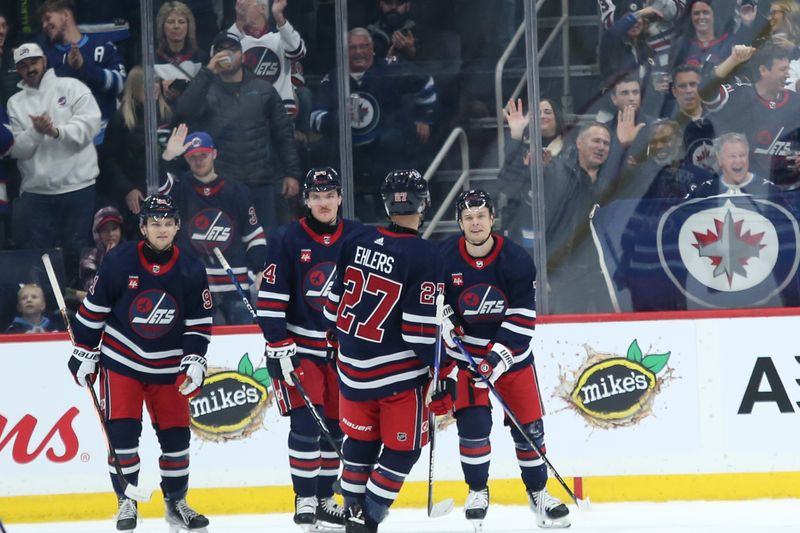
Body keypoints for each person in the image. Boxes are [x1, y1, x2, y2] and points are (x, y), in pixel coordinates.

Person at [69, 194, 212, 532]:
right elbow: (94, 310)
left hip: (169, 368)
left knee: (177, 440)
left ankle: (176, 502)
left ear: (177, 226)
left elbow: (199, 322)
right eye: (154, 223)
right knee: (123, 436)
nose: (161, 230)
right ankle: (126, 502)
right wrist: (83, 351)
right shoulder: (119, 260)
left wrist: (195, 358)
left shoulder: (191, 267)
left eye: (167, 223)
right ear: (143, 227)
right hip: (122, 362)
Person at [432, 189, 570, 530]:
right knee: (473, 429)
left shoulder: (516, 259)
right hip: (467, 361)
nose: (475, 222)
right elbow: (429, 300)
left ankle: (538, 494)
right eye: (468, 217)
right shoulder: (443, 257)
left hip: (512, 361)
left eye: (481, 216)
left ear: (492, 219)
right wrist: (442, 316)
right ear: (459, 223)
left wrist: (493, 362)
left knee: (530, 431)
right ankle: (477, 491)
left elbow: (522, 320)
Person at [320, 169, 443, 533]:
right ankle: (368, 517)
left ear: (387, 203)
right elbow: (419, 331)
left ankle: (353, 513)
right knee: (405, 449)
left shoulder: (356, 239)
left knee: (359, 441)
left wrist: (340, 343)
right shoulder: (425, 254)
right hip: (396, 378)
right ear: (424, 202)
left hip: (351, 373)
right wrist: (445, 368)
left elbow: (330, 309)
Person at [258, 167, 364, 531]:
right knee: (306, 425)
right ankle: (304, 497)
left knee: (335, 427)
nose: (323, 202)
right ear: (307, 200)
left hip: (342, 350)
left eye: (329, 194)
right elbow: (271, 299)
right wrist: (277, 342)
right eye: (316, 196)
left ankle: (323, 499)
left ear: (339, 198)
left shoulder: (358, 235)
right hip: (299, 348)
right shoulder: (287, 238)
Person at [175, 30, 301, 231]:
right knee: (226, 245)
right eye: (220, 50)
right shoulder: (205, 89)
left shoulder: (264, 89)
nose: (226, 54)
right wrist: (208, 71)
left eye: (232, 50)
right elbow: (184, 111)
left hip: (261, 183)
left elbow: (283, 134)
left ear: (242, 55)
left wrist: (292, 173)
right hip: (221, 184)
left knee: (265, 247)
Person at [310, 28, 436, 221]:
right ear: (345, 52)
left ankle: (392, 216)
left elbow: (425, 83)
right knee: (328, 155)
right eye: (353, 47)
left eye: (363, 46)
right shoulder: (334, 78)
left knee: (394, 143)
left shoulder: (389, 70)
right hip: (351, 153)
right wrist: (336, 119)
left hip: (385, 151)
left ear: (373, 49)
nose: (359, 52)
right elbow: (315, 118)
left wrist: (424, 118)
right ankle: (348, 218)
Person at [7, 42, 101, 284]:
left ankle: (79, 308)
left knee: (78, 252)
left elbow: (91, 126)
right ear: (17, 70)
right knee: (41, 257)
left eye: (34, 62)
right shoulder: (14, 103)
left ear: (45, 61)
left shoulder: (72, 87)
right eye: (23, 65)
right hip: (37, 193)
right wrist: (38, 132)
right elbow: (16, 149)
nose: (30, 69)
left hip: (78, 187)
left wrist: (56, 131)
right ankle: (48, 312)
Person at [160, 126, 267, 325]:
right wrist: (167, 157)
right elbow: (157, 192)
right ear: (185, 159)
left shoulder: (237, 192)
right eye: (193, 157)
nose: (198, 161)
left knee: (243, 347)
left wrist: (260, 269)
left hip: (235, 289)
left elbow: (254, 236)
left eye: (203, 155)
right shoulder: (181, 190)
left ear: (214, 154)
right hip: (197, 288)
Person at [703, 44, 800, 181]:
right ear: (763, 70)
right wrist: (733, 60)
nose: (788, 74)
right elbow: (705, 92)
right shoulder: (739, 95)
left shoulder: (796, 102)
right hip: (746, 191)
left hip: (789, 189)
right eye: (783, 69)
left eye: (788, 68)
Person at [39, 0, 126, 144]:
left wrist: (84, 67)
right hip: (65, 140)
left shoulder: (102, 45)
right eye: (42, 22)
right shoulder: (45, 55)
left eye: (48, 18)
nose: (44, 26)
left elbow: (119, 84)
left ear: (65, 15)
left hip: (106, 139)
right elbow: (44, 95)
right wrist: (69, 67)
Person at [227, 0, 307, 116]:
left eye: (247, 3)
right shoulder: (235, 39)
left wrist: (279, 17)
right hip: (245, 112)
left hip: (280, 110)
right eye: (239, 4)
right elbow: (221, 61)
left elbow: (297, 51)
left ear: (262, 9)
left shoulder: (280, 38)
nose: (241, 7)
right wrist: (239, 23)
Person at [154, 1, 207, 107]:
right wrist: (160, 86)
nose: (176, 26)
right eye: (171, 22)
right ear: (162, 26)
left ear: (189, 26)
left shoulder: (201, 58)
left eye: (181, 22)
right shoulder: (151, 59)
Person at [76, 206, 124, 301]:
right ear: (97, 233)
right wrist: (109, 262)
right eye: (105, 229)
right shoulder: (89, 259)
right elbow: (96, 291)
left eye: (114, 228)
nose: (110, 234)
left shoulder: (132, 253)